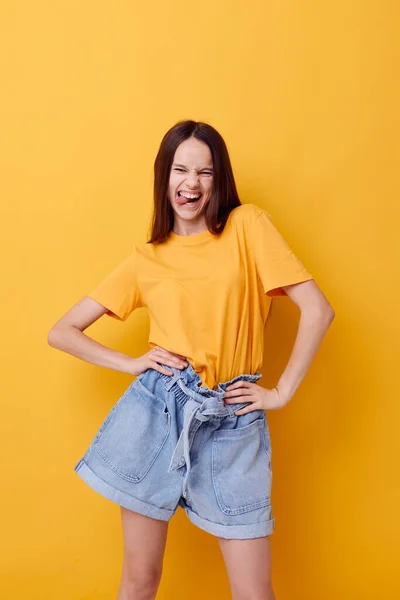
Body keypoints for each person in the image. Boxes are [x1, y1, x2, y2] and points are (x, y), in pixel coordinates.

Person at [48, 119, 335, 600]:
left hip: (232, 418)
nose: (192, 183)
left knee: (253, 590)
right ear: (165, 177)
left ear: (218, 179)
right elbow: (62, 331)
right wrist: (131, 363)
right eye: (180, 169)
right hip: (157, 413)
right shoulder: (148, 258)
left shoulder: (248, 226)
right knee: (140, 580)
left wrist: (281, 391)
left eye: (205, 172)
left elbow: (317, 309)